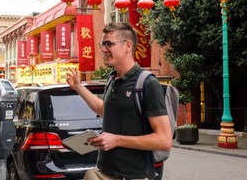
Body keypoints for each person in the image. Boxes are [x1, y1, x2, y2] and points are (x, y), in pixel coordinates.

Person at [66, 23, 172, 180]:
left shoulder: (148, 84)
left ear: (128, 45)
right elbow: (104, 110)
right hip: (102, 172)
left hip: (132, 176)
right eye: (102, 44)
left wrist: (116, 140)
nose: (103, 50)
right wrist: (78, 87)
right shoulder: (112, 79)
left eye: (109, 44)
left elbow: (164, 141)